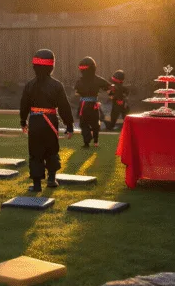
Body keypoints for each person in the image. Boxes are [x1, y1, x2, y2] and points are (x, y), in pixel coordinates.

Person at [20, 49, 74, 192]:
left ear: (34, 66)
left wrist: (23, 121)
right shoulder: (57, 85)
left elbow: (24, 105)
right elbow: (64, 106)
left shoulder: (29, 85)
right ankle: (51, 179)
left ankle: (37, 185)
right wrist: (69, 125)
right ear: (52, 66)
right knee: (52, 150)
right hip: (50, 122)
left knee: (35, 152)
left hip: (35, 122)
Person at [75, 56, 110, 148]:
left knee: (84, 123)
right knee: (95, 123)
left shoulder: (79, 81)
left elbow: (77, 93)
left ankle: (86, 142)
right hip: (94, 104)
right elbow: (108, 87)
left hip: (83, 105)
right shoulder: (98, 79)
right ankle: (96, 142)